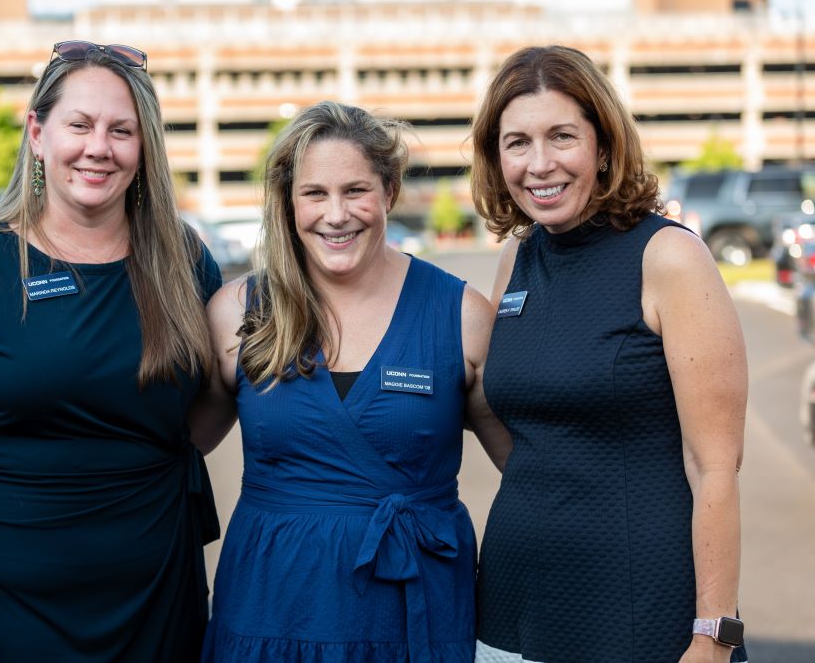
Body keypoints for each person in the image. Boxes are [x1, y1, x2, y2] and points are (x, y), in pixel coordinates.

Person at [0, 40, 222, 663]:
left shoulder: (183, 260)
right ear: (38, 133)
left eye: (123, 130)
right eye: (81, 124)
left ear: (145, 148)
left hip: (158, 598)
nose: (100, 147)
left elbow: (209, 406)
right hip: (5, 606)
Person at [189, 100, 511, 663]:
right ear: (288, 204)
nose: (336, 215)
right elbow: (168, 452)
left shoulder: (459, 315)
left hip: (415, 612)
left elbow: (531, 471)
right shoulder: (239, 313)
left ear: (389, 191)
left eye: (355, 190)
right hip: (270, 609)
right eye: (314, 193)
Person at [470, 45, 748, 663]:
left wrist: (714, 634)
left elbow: (716, 468)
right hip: (514, 598)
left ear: (604, 145)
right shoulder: (515, 260)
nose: (539, 164)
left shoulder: (669, 258)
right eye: (517, 143)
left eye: (561, 136)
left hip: (640, 606)